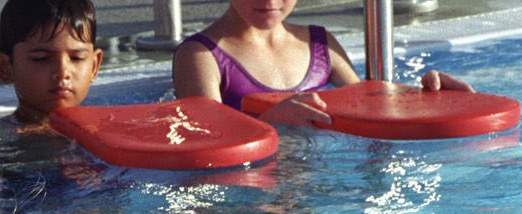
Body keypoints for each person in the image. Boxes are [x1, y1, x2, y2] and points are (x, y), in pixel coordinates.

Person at [172, 0, 472, 126]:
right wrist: (271, 123)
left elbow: (371, 106)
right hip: (246, 204)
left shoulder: (319, 44)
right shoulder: (201, 57)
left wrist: (429, 96)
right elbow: (206, 145)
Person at [0, 0, 103, 128]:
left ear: (94, 66)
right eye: (41, 58)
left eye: (76, 58)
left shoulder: (107, 126)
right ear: (5, 67)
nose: (63, 72)